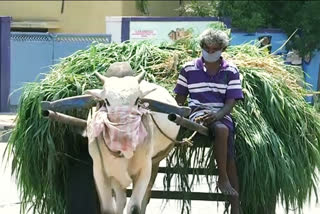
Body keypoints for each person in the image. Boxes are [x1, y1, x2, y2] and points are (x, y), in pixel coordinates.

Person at [174, 28, 244, 214]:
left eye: (215, 49)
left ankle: (233, 200)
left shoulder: (231, 70)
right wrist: (176, 115)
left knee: (228, 148)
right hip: (197, 112)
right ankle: (223, 179)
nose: (211, 52)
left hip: (221, 113)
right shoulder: (188, 68)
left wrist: (218, 115)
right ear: (202, 47)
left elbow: (231, 101)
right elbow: (180, 98)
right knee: (221, 131)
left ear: (222, 49)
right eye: (207, 48)